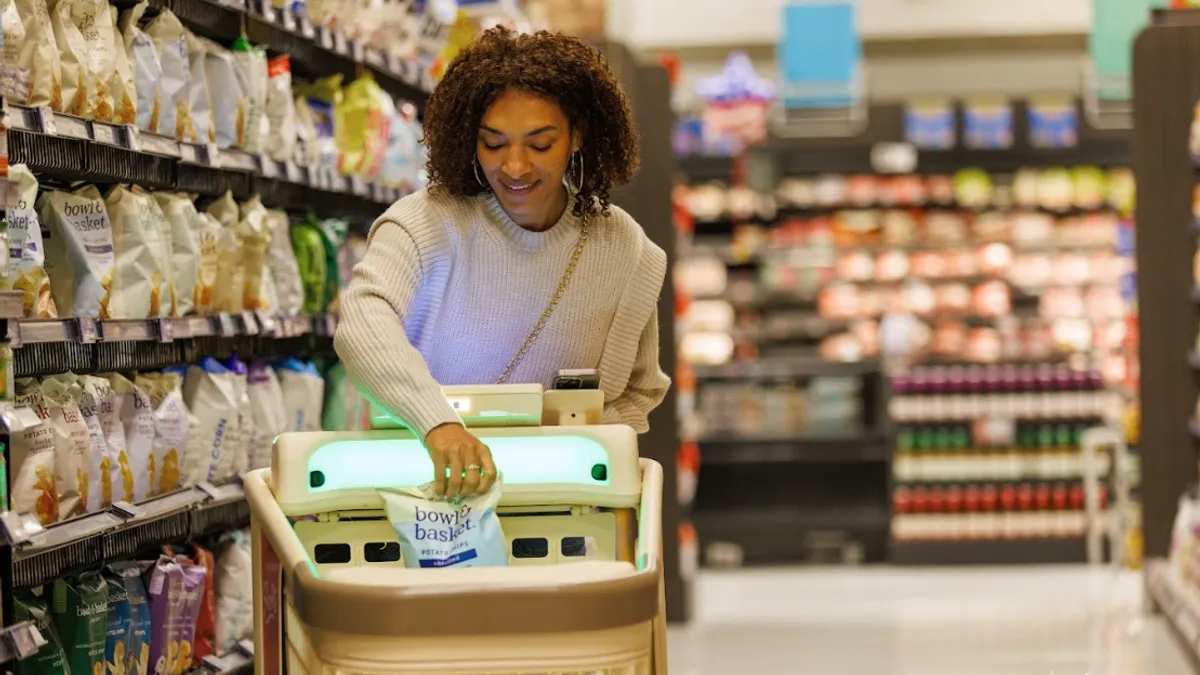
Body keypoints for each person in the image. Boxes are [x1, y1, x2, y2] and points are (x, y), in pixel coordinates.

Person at [334, 27, 671, 499]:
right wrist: (438, 425)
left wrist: (572, 451)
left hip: (563, 511)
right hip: (427, 501)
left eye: (539, 144)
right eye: (493, 144)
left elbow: (641, 390)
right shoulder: (423, 224)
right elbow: (363, 323)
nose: (514, 167)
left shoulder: (624, 249)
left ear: (578, 135)